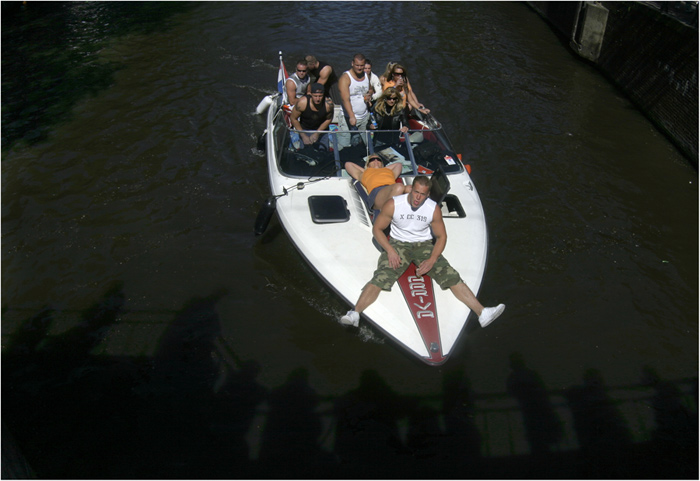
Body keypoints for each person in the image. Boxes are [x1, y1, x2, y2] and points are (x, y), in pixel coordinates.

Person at [340, 176, 505, 328]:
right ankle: (355, 313)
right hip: (398, 243)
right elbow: (377, 229)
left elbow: (441, 237)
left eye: (422, 194)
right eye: (416, 192)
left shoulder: (433, 209)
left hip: (423, 245)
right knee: (382, 275)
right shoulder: (394, 204)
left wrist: (432, 259)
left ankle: (482, 313)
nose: (418, 197)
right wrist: (390, 250)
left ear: (428, 195)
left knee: (450, 274)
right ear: (411, 189)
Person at [345, 153, 411, 211]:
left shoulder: (388, 172)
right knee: (399, 187)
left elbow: (398, 165)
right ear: (368, 164)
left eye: (378, 160)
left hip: (392, 188)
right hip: (377, 193)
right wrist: (366, 169)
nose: (376, 161)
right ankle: (387, 213)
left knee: (410, 188)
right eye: (372, 160)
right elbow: (348, 164)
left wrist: (382, 169)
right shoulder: (363, 174)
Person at [337, 53, 372, 149]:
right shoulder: (345, 78)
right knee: (345, 146)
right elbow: (345, 99)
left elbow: (370, 89)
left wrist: (369, 95)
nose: (359, 68)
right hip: (349, 117)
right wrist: (351, 116)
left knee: (365, 145)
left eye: (362, 65)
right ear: (352, 63)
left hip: (364, 116)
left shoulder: (366, 75)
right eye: (357, 65)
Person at [290, 83, 334, 147]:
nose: (318, 99)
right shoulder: (302, 103)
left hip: (322, 131)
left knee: (323, 151)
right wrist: (303, 135)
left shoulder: (328, 105)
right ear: (311, 95)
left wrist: (317, 133)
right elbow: (293, 118)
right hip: (305, 130)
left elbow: (329, 119)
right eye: (315, 96)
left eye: (320, 96)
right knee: (306, 152)